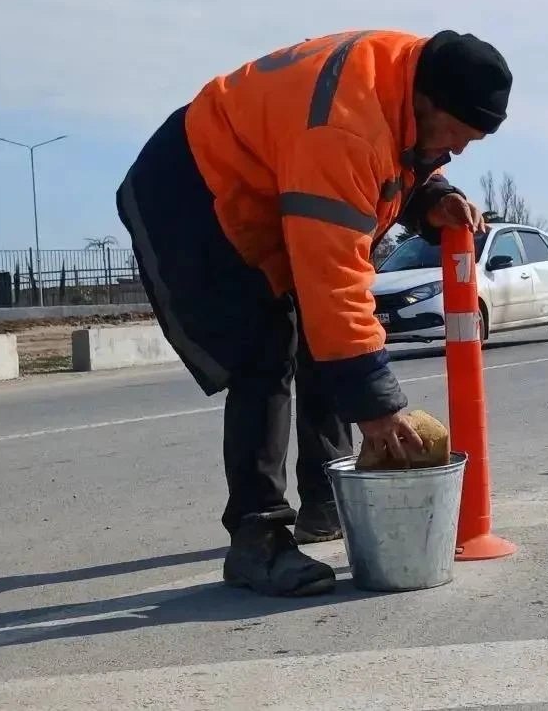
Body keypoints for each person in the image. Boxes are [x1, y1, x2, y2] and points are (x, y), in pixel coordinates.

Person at [116, 29, 512, 597]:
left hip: (266, 184)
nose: (459, 149)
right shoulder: (345, 127)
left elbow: (398, 157)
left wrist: (429, 195)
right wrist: (379, 409)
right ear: (428, 102)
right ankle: (258, 539)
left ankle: (327, 502)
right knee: (264, 351)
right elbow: (335, 285)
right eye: (455, 135)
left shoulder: (406, 75)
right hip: (192, 191)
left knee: (323, 343)